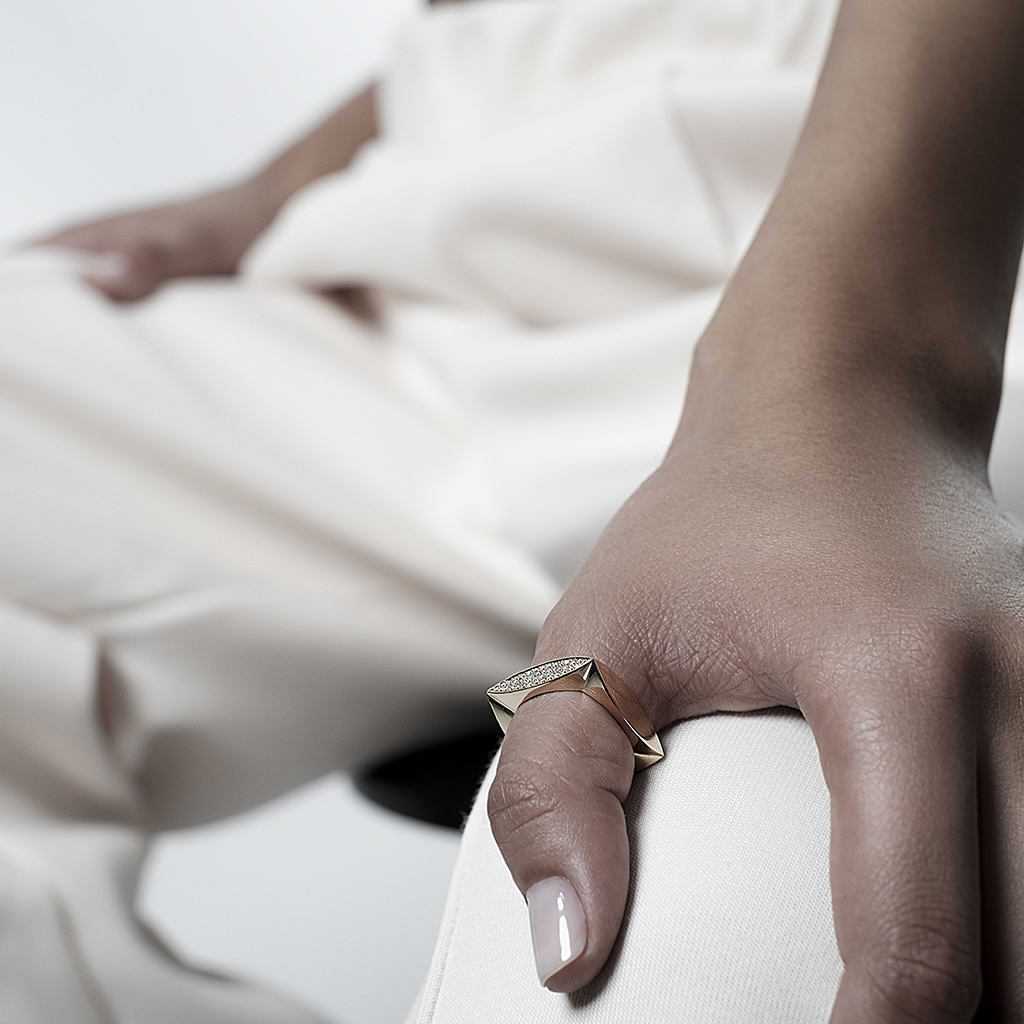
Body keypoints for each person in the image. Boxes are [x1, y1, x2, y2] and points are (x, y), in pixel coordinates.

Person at [5, 0, 1024, 1022]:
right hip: (435, 260)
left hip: (941, 256)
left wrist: (863, 371)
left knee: (713, 956)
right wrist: (300, 173)